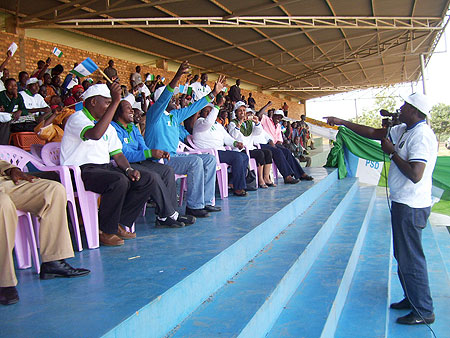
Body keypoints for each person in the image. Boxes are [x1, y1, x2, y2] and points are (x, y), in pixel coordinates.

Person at [324, 92, 437, 325]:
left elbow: (416, 174)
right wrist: (342, 122)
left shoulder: (422, 136)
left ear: (416, 111)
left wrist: (393, 153)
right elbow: (374, 133)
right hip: (402, 202)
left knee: (411, 258)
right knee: (403, 255)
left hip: (412, 204)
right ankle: (412, 298)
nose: (401, 108)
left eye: (406, 105)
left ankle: (424, 310)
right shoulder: (404, 130)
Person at [61, 83, 154, 247]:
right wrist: (117, 101)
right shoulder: (77, 118)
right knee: (118, 181)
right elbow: (95, 134)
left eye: (111, 102)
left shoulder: (108, 127)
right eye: (107, 102)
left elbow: (117, 154)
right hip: (79, 171)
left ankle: (117, 222)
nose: (110, 106)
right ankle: (105, 230)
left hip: (103, 169)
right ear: (93, 102)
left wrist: (129, 169)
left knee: (146, 178)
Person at [0, 160, 90, 306]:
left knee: (53, 189)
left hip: (4, 182)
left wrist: (11, 169)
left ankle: (53, 261)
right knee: (2, 204)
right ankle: (4, 281)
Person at [144, 62, 225, 217]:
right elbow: (164, 98)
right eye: (172, 98)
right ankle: (193, 206)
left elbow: (193, 108)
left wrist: (213, 94)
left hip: (176, 156)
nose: (175, 99)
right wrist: (178, 75)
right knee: (195, 162)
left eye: (175, 97)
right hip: (160, 160)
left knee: (209, 159)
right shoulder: (154, 115)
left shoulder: (175, 116)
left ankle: (206, 202)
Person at [111, 99, 195, 228]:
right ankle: (170, 214)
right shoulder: (114, 128)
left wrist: (156, 153)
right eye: (128, 108)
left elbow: (143, 146)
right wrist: (149, 154)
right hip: (125, 164)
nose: (132, 110)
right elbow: (124, 154)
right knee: (153, 175)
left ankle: (167, 215)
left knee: (167, 170)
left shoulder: (133, 127)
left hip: (141, 161)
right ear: (118, 112)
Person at [192, 101, 249, 196]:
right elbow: (208, 122)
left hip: (220, 151)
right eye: (206, 111)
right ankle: (238, 188)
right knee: (237, 157)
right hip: (209, 153)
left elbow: (226, 137)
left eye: (211, 111)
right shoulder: (200, 122)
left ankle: (232, 182)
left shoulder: (217, 125)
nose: (209, 113)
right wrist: (217, 106)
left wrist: (235, 143)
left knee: (244, 156)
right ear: (201, 113)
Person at [258, 106, 313, 182]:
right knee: (278, 152)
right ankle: (287, 176)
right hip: (265, 143)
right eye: (277, 116)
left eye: (280, 118)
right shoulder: (266, 120)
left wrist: (279, 143)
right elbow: (259, 114)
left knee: (287, 151)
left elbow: (279, 140)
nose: (278, 119)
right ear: (273, 115)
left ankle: (301, 174)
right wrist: (268, 104)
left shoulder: (279, 126)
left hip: (274, 144)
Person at [228, 102, 275, 188]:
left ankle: (266, 178)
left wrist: (257, 123)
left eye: (244, 110)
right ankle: (260, 179)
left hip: (250, 148)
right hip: (240, 150)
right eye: (240, 111)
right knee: (260, 154)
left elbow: (258, 132)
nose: (242, 112)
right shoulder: (232, 123)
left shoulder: (249, 123)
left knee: (268, 152)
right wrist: (240, 124)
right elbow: (233, 136)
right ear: (235, 113)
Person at [0, 78, 28, 144]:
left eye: (15, 85)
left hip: (17, 118)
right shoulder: (1, 96)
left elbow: (25, 110)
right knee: (6, 123)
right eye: (11, 86)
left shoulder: (19, 96)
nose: (13, 88)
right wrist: (14, 98)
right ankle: (3, 145)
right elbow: (8, 111)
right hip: (5, 119)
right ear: (5, 86)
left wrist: (20, 111)